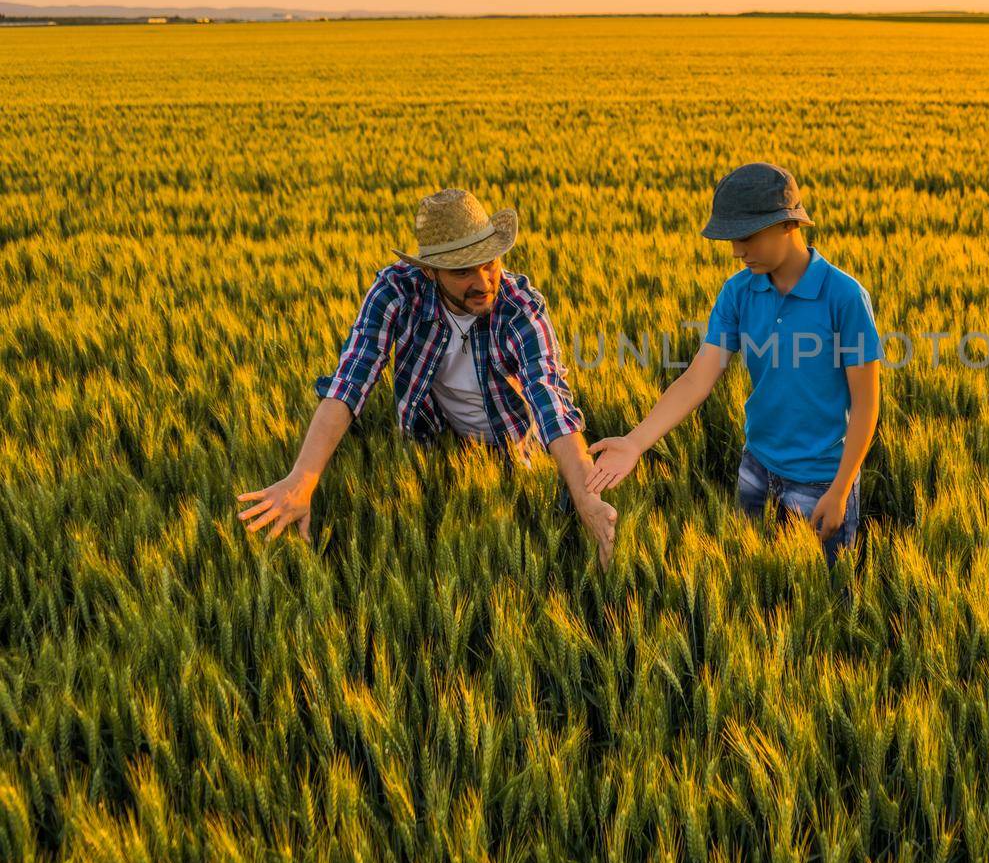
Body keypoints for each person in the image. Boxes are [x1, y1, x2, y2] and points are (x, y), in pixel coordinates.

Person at [235, 188, 617, 567]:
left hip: (517, 448)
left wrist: (584, 495)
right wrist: (303, 478)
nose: (483, 282)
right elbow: (350, 382)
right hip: (432, 441)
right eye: (463, 270)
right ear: (430, 270)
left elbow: (550, 402)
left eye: (489, 263)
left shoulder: (519, 309)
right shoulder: (397, 293)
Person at [586, 162, 881, 566]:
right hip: (756, 468)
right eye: (730, 239)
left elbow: (866, 403)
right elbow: (697, 379)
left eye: (746, 237)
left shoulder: (843, 297)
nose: (736, 251)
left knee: (827, 597)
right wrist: (635, 442)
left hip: (822, 479)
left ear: (787, 225)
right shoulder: (738, 292)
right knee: (758, 589)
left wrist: (842, 487)